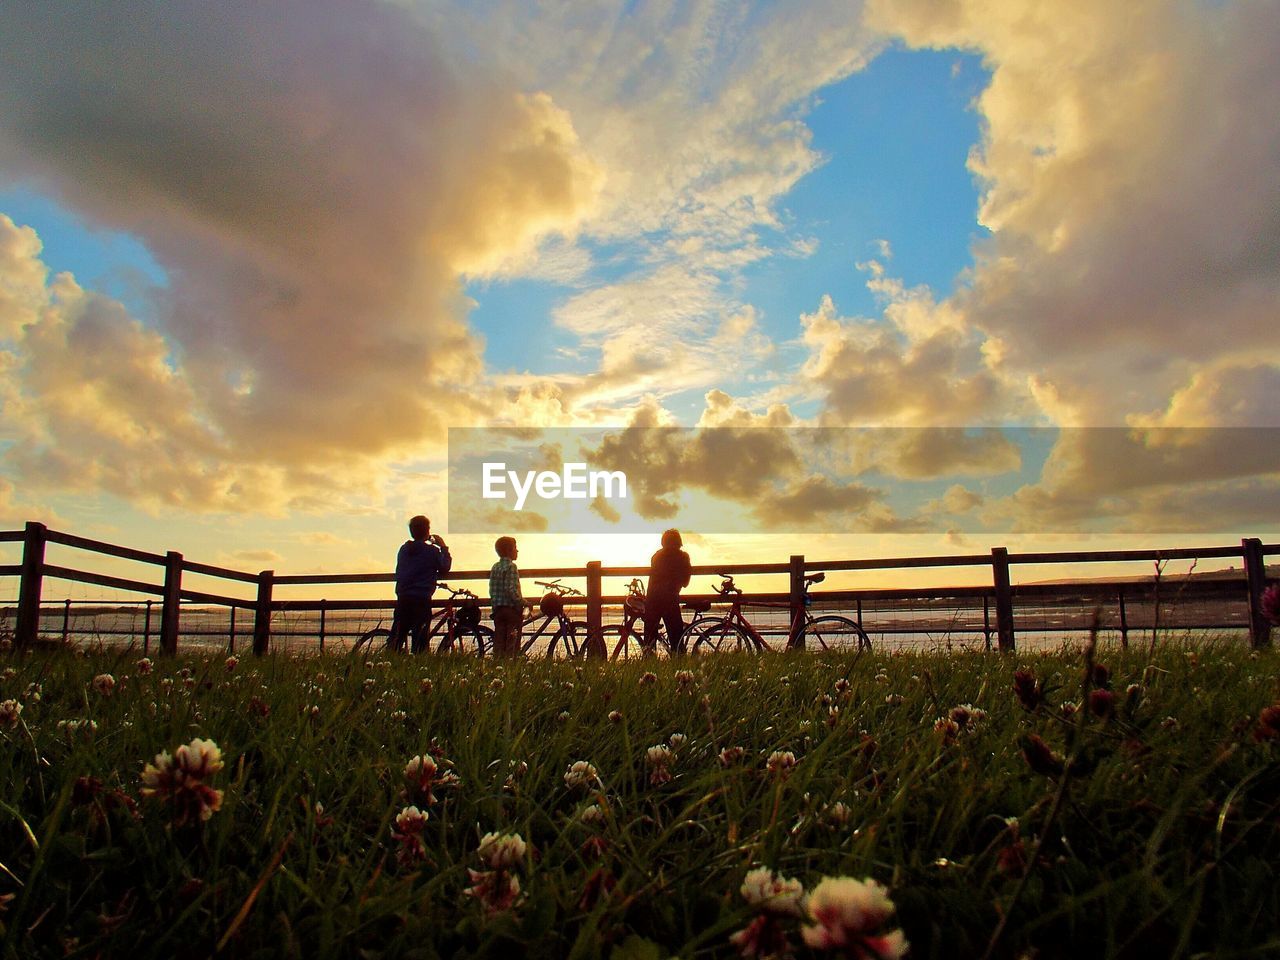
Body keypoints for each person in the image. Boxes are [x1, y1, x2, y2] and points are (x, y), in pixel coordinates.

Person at [390, 515, 451, 654]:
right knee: (420, 641)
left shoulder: (404, 550)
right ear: (427, 531)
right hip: (421, 598)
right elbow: (445, 566)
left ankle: (390, 663)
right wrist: (443, 547)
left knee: (397, 637)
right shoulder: (432, 551)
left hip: (403, 596)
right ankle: (417, 667)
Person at [644, 528, 691, 654]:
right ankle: (679, 666)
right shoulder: (683, 557)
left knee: (649, 640)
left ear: (663, 542)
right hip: (670, 599)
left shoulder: (656, 556)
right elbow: (685, 582)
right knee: (676, 638)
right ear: (679, 542)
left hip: (652, 599)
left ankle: (649, 667)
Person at [488, 536, 524, 658]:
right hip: (511, 610)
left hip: (498, 610)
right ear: (509, 550)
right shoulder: (511, 567)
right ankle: (510, 666)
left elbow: (492, 589)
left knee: (499, 640)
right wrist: (521, 602)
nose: (517, 551)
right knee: (511, 642)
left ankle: (498, 663)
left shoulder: (495, 567)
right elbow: (511, 590)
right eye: (515, 548)